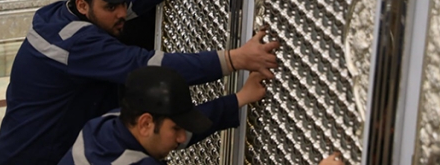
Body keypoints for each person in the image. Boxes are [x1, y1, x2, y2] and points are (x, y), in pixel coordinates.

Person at [0, 0, 280, 165]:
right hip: (37, 155)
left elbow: (133, 1)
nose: (122, 13)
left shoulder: (62, 14)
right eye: (111, 7)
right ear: (83, 5)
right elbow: (147, 66)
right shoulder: (78, 43)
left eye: (120, 3)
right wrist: (234, 59)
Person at [58, 66, 345, 165]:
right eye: (176, 129)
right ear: (146, 123)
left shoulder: (105, 125)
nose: (181, 138)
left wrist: (240, 98)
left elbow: (184, 126)